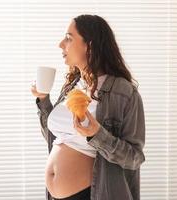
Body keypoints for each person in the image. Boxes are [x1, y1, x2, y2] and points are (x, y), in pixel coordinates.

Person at [31, 14, 146, 200]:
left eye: (69, 38)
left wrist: (97, 134)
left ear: (89, 46)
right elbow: (55, 138)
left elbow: (134, 158)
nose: (61, 44)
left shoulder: (123, 92)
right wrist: (43, 100)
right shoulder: (72, 86)